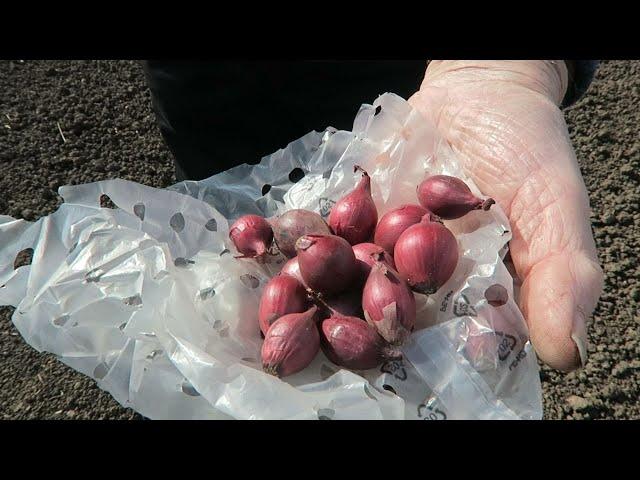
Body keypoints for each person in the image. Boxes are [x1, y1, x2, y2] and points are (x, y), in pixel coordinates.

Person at [143, 60, 603, 372]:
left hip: (394, 70)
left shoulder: (372, 257)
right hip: (206, 84)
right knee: (220, 210)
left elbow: (365, 253)